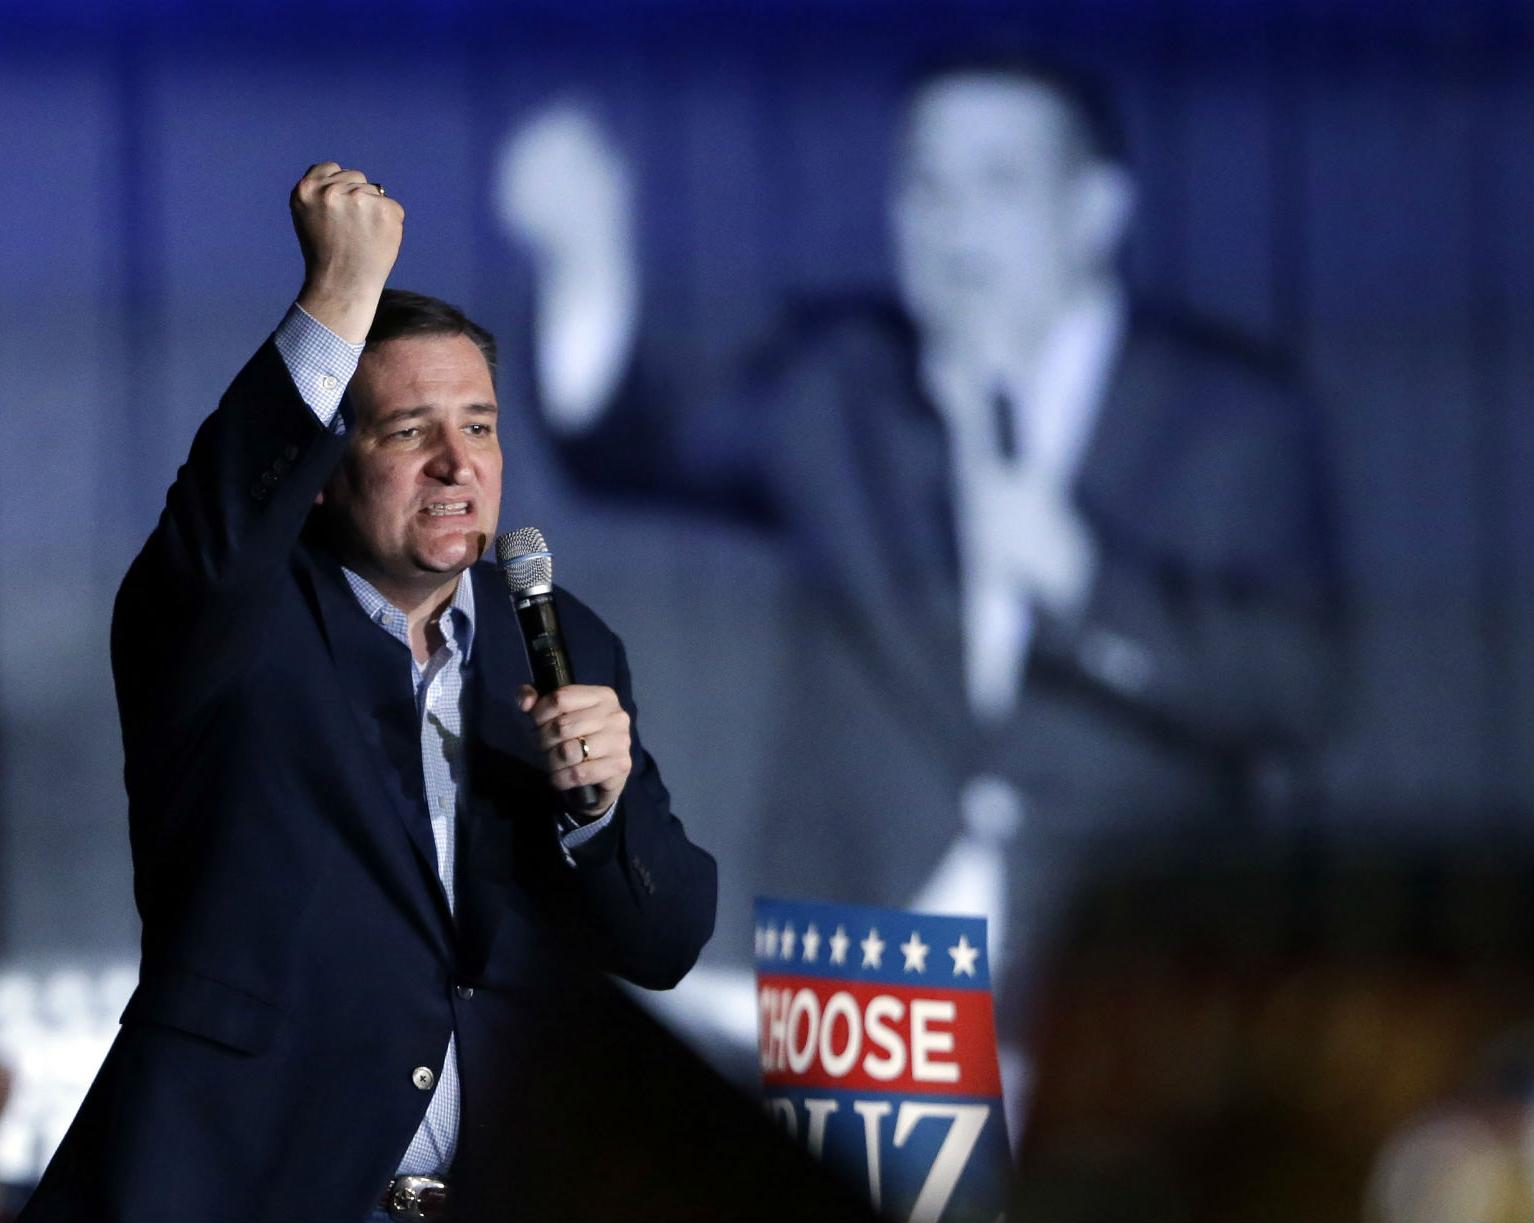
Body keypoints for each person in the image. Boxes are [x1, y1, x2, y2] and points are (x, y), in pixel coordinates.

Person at [498, 56, 1339, 1049]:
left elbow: (1297, 688)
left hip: (1126, 985)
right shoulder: (842, 385)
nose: (954, 222)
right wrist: (588, 255)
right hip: (858, 972)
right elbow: (634, 438)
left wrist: (1082, 580)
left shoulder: (1230, 417)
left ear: (1095, 208)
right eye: (926, 186)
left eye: (998, 182)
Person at [19, 163, 717, 1222]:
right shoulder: (236, 615)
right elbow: (222, 519)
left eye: (479, 426)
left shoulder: (561, 638)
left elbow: (663, 942)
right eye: (407, 431)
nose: (456, 464)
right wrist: (339, 293)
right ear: (325, 473)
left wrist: (601, 808)